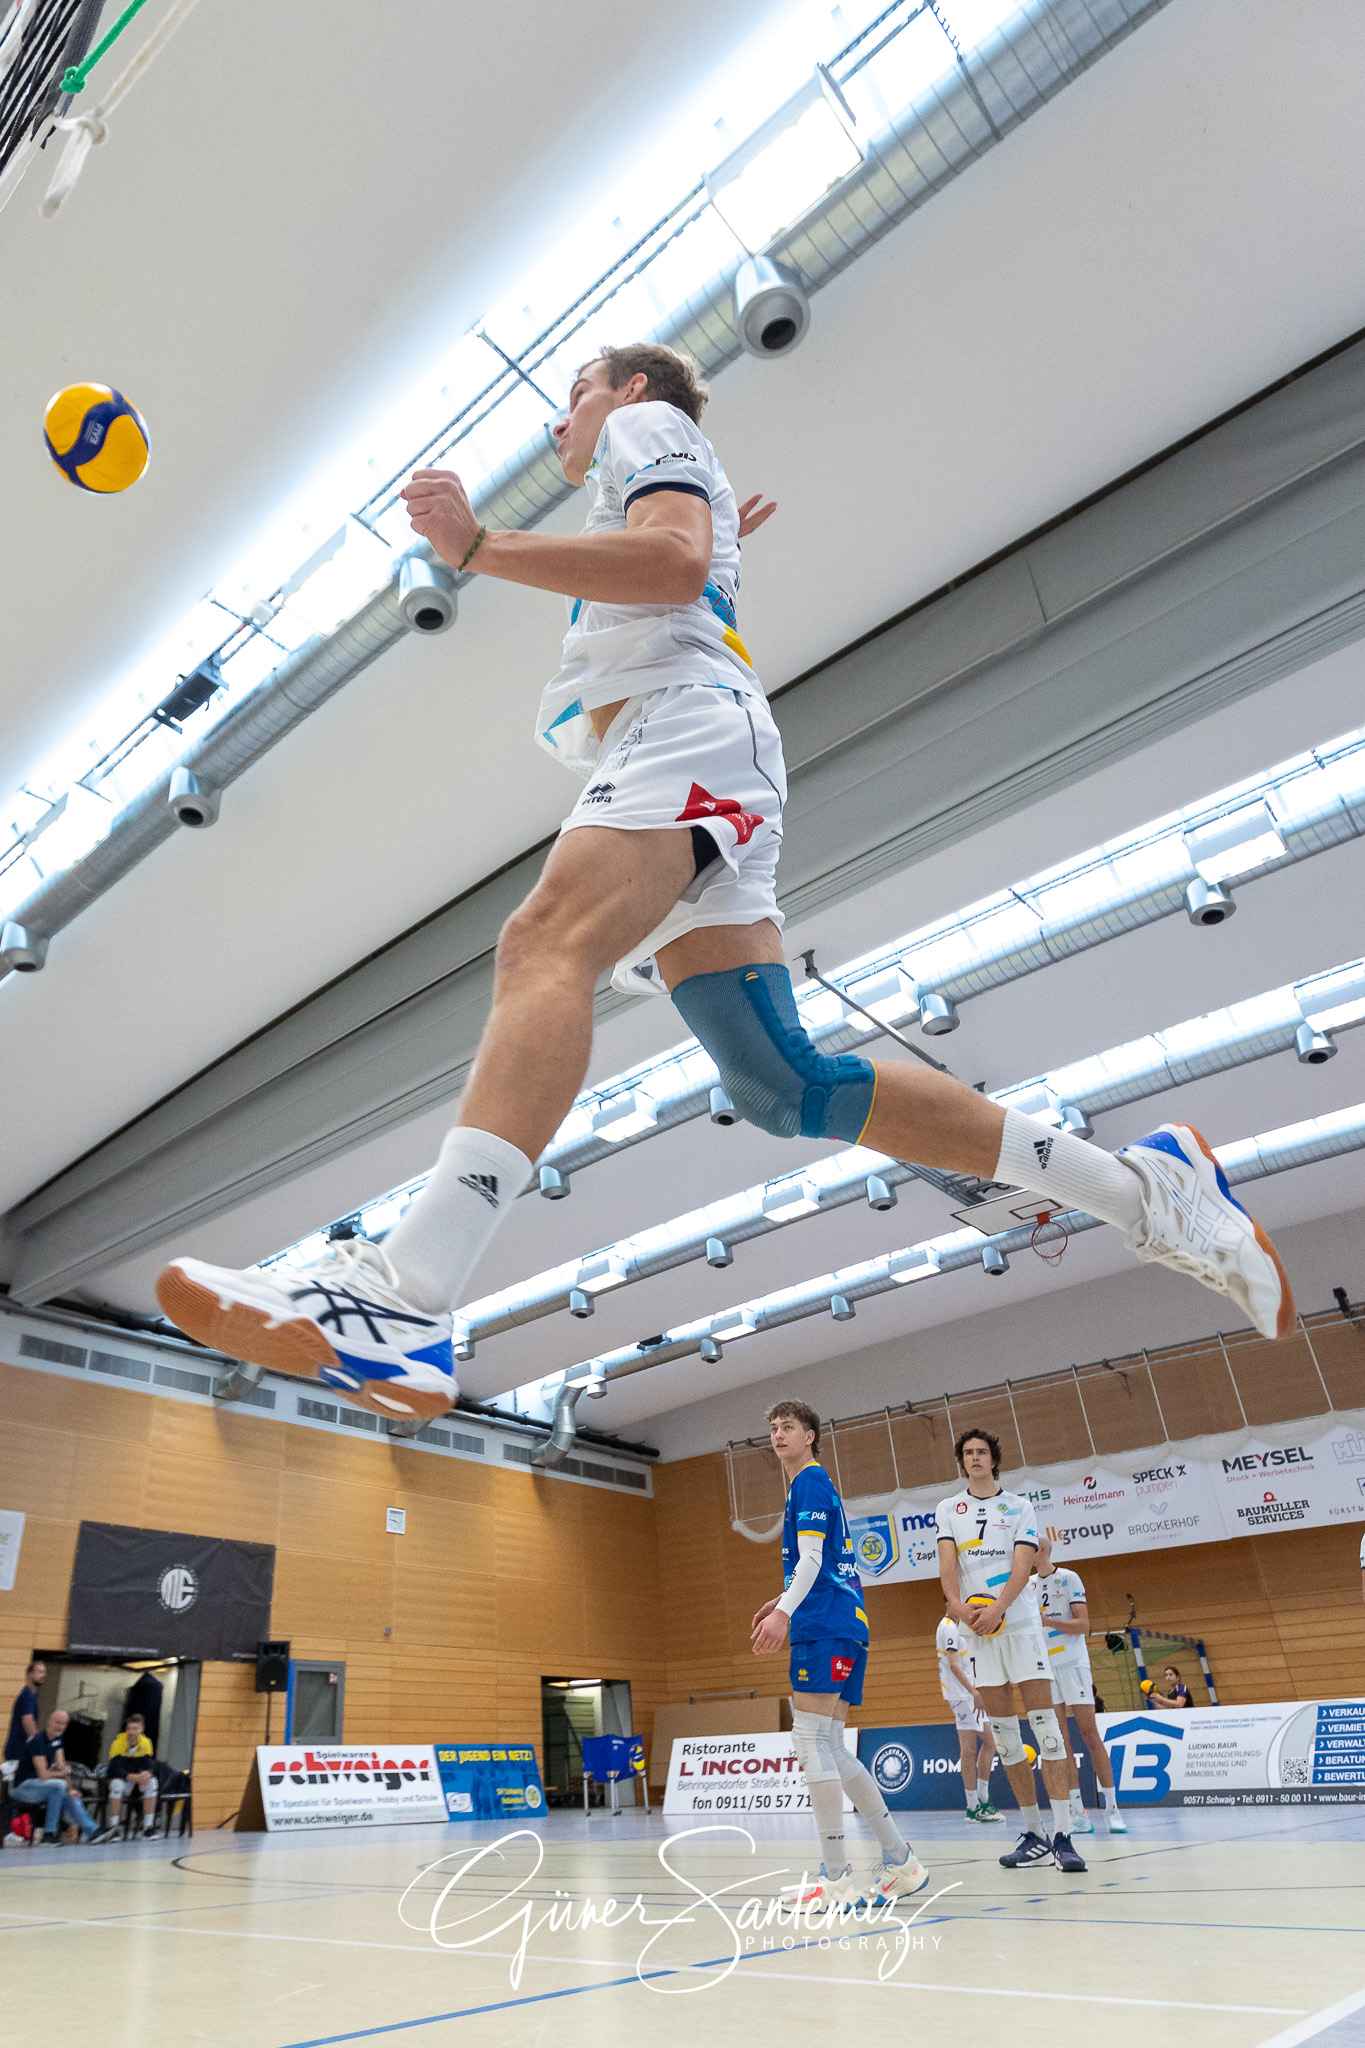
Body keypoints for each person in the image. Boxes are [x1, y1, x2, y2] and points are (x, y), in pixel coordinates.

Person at [152, 343, 1296, 1420]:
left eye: (580, 385)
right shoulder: (644, 471)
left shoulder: (643, 422)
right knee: (779, 1085)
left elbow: (675, 562)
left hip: (684, 743)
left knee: (544, 945)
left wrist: (479, 547)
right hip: (686, 750)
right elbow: (686, 570)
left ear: (635, 383)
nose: (564, 414)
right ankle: (1149, 1194)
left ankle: (409, 1290)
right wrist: (709, 558)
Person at [751, 1398, 929, 1908]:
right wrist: (784, 1598)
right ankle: (901, 1861)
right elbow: (818, 1563)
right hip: (846, 1622)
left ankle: (834, 1878)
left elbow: (810, 1557)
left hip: (823, 1624)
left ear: (810, 1435)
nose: (778, 1435)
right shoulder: (812, 1485)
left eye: (788, 1426)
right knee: (831, 1743)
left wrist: (785, 1613)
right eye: (773, 1428)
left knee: (809, 1740)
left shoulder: (808, 1479)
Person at [936, 1427, 1086, 1873]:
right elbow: (947, 1566)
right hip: (978, 1633)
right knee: (1004, 1737)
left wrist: (1000, 1607)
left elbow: (1023, 1566)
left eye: (982, 1452)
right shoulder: (948, 1509)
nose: (976, 1458)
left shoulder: (1020, 1507)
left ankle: (1064, 1835)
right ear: (961, 1462)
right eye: (968, 1453)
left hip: (1018, 1626)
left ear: (994, 1459)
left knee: (1047, 1728)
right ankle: (1035, 1833)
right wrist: (961, 1611)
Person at [1032, 1534, 1125, 1835]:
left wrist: (1049, 1621)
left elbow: (1084, 1625)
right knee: (1060, 1740)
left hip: (1073, 1664)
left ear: (1043, 1550)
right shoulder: (1028, 1585)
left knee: (1089, 1733)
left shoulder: (1069, 1578)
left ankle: (1112, 1809)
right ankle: (1077, 1811)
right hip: (1046, 1668)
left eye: (1029, 1549)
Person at [934, 1605, 1001, 1821]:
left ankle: (978, 1801)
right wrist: (973, 1691)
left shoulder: (954, 1627)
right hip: (962, 1696)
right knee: (976, 1747)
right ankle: (975, 1805)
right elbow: (954, 1666)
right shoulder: (949, 1629)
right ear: (948, 1604)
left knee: (980, 1746)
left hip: (963, 1695)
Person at [9, 1709, 108, 1845]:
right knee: (58, 1785)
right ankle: (49, 1832)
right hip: (23, 1787)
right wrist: (62, 1776)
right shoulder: (38, 1741)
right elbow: (43, 1775)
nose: (60, 1727)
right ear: (49, 1722)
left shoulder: (57, 1740)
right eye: (57, 1723)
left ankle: (92, 1831)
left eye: (63, 1724)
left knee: (69, 1794)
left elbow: (63, 1767)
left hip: (44, 1787)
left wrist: (70, 1789)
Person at [104, 1713, 159, 1838]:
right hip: (124, 1779)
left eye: (135, 1729)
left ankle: (148, 1827)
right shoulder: (117, 1743)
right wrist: (134, 1777)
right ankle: (114, 1828)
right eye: (129, 1728)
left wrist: (147, 1774)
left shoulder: (146, 1743)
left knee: (153, 1783)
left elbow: (150, 1764)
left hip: (139, 1781)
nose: (132, 1732)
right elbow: (115, 1770)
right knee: (116, 1786)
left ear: (141, 1730)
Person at [3, 1659, 45, 1780]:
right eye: (39, 1672)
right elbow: (27, 1719)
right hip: (19, 1750)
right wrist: (37, 1743)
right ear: (29, 1674)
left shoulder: (31, 1695)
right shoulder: (28, 1696)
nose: (43, 1675)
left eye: (44, 1672)